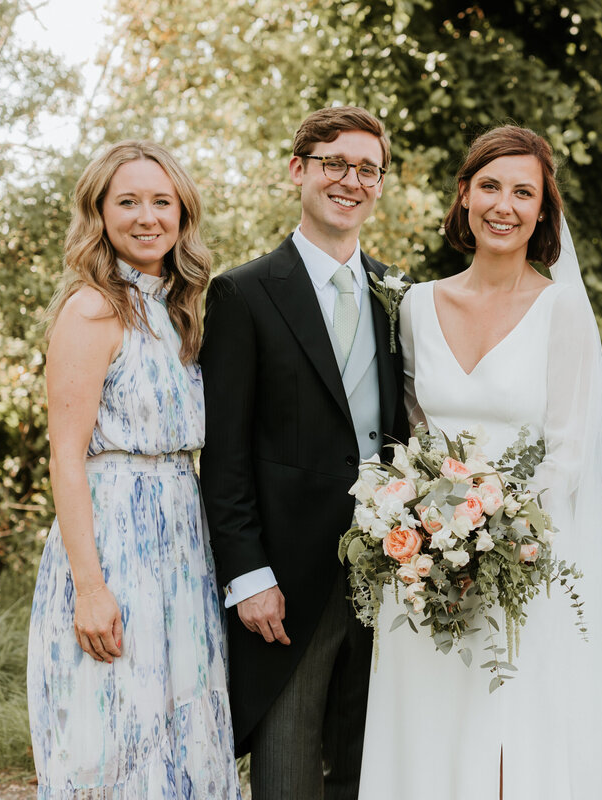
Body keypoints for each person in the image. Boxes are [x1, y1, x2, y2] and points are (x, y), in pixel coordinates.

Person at [357, 125, 602, 800]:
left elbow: (570, 450)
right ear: (464, 195)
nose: (505, 204)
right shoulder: (416, 305)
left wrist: (497, 538)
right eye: (490, 186)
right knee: (432, 740)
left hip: (527, 568)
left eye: (524, 192)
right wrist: (430, 538)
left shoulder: (562, 311)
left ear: (543, 211)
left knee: (519, 746)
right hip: (427, 574)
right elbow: (414, 438)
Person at [200, 106, 409, 800]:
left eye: (367, 169)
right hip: (285, 585)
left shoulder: (398, 296)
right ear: (299, 170)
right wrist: (248, 575)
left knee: (370, 771)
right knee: (287, 773)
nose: (351, 180)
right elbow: (224, 454)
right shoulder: (244, 293)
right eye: (335, 164)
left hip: (388, 575)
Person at [27, 140, 239, 797]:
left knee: (183, 734)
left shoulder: (179, 310)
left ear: (182, 214)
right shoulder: (94, 309)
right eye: (128, 202)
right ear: (100, 213)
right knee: (119, 742)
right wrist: (90, 588)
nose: (147, 217)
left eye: (161, 201)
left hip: (182, 543)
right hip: (113, 544)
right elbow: (66, 454)